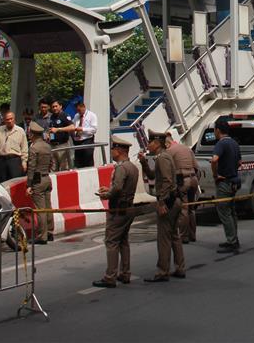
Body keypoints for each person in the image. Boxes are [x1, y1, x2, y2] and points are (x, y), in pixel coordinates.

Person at [93, 136, 139, 287]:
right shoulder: (132, 167)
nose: (112, 152)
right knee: (123, 241)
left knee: (111, 241)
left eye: (113, 149)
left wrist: (106, 194)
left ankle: (110, 276)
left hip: (118, 209)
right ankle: (125, 272)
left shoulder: (120, 167)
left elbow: (118, 188)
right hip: (129, 207)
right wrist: (110, 189)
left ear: (118, 151)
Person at [138, 134, 185, 282]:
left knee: (164, 238)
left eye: (150, 142)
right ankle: (179, 267)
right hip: (173, 200)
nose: (148, 144)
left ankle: (162, 271)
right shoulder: (162, 157)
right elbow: (153, 175)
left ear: (157, 143)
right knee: (174, 236)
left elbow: (166, 181)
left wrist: (162, 202)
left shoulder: (163, 158)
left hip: (169, 201)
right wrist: (144, 163)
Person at [160, 129, 199, 244]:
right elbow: (196, 166)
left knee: (184, 209)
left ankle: (184, 236)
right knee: (192, 209)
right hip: (194, 179)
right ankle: (193, 235)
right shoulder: (187, 148)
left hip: (183, 181)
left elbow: (167, 172)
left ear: (167, 144)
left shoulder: (169, 152)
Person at [210, 119, 241, 253]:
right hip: (235, 180)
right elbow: (239, 162)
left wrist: (216, 175)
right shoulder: (234, 143)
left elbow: (214, 160)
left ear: (218, 130)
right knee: (232, 211)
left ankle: (231, 241)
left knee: (224, 212)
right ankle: (234, 238)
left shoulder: (220, 144)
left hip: (225, 182)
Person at [25, 122, 54, 244]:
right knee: (48, 207)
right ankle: (50, 232)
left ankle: (42, 236)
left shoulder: (34, 148)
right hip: (47, 178)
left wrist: (29, 185)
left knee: (40, 209)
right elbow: (51, 163)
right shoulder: (47, 146)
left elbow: (31, 167)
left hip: (38, 180)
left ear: (32, 134)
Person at [0, 111, 27, 182]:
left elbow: (24, 148)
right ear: (4, 120)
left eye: (11, 119)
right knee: (2, 184)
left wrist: (24, 162)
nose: (9, 121)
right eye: (7, 119)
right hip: (1, 160)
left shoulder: (20, 131)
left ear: (14, 119)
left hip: (15, 160)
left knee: (15, 183)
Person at [70, 101, 98, 169]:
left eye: (79, 110)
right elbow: (74, 125)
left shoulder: (92, 115)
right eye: (77, 110)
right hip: (77, 141)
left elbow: (94, 129)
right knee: (78, 161)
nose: (79, 112)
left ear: (83, 107)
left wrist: (82, 129)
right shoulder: (76, 116)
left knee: (88, 160)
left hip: (87, 140)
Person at [48, 100, 73, 171]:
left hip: (63, 145)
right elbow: (52, 130)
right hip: (53, 145)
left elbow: (72, 127)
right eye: (53, 107)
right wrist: (49, 137)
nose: (55, 108)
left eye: (56, 106)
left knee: (64, 168)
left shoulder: (65, 115)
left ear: (60, 106)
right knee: (53, 168)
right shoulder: (52, 117)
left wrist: (58, 129)